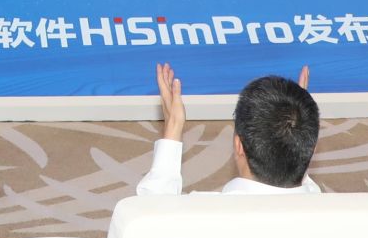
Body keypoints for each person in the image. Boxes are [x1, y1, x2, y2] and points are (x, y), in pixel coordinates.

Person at [135, 64, 321, 196]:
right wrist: (299, 123)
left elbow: (149, 216)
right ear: (312, 149)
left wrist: (173, 125)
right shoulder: (332, 212)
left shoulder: (199, 213)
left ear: (239, 145)